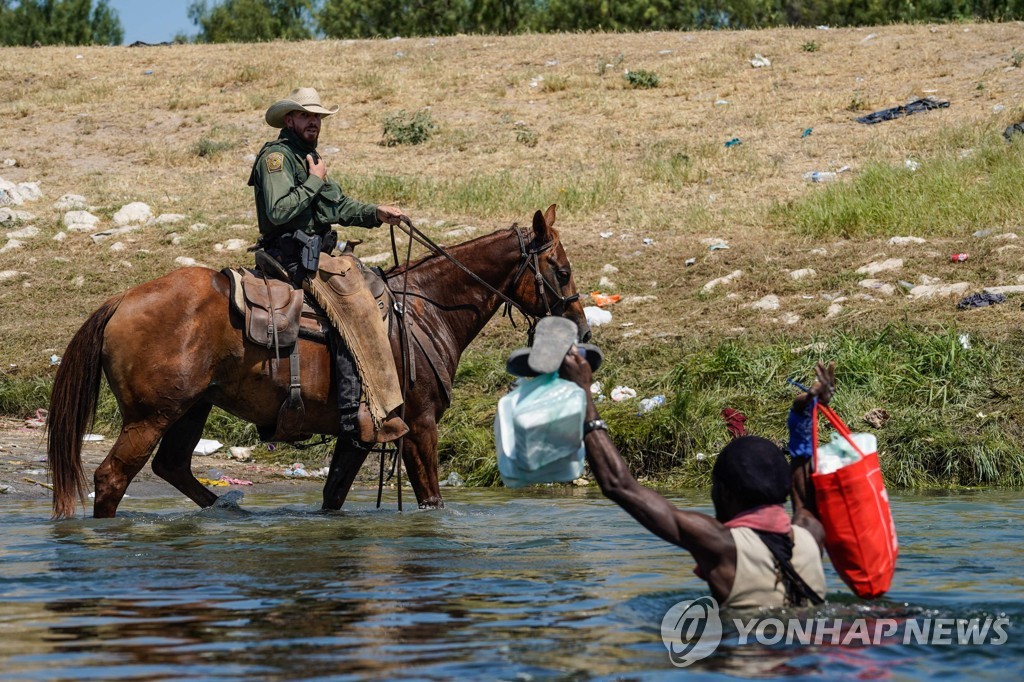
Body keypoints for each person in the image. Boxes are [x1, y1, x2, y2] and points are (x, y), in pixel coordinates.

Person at [559, 353, 836, 609]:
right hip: (811, 656)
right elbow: (802, 467)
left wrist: (583, 392)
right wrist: (802, 412)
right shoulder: (811, 532)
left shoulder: (720, 544)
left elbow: (619, 485)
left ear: (725, 493)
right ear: (784, 488)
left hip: (745, 656)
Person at [248, 87, 408, 442]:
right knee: (355, 305)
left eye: (318, 117)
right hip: (289, 255)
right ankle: (354, 411)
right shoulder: (277, 158)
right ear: (290, 119)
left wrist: (376, 214)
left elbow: (338, 207)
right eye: (308, 116)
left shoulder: (309, 156)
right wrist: (315, 181)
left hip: (312, 251)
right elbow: (278, 212)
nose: (315, 122)